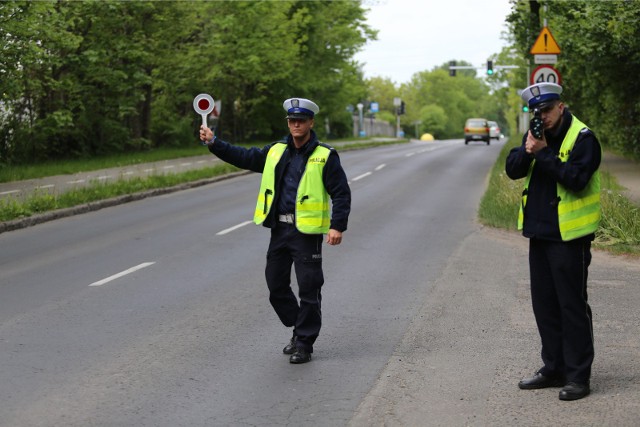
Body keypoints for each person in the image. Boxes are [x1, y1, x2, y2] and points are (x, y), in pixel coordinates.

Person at [199, 98, 351, 364]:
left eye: (301, 121)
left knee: (309, 288)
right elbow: (244, 157)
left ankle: (304, 342)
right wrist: (214, 142)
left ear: (310, 123)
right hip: (279, 229)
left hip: (306, 232)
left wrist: (337, 225)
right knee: (276, 286)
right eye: (292, 121)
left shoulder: (325, 156)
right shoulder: (276, 151)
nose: (296, 125)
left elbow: (341, 193)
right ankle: (299, 326)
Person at [506, 82, 602, 401]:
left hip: (570, 237)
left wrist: (543, 153)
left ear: (561, 106)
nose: (542, 117)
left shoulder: (584, 138)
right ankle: (554, 367)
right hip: (540, 232)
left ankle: (578, 376)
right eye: (537, 112)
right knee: (545, 305)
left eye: (547, 110)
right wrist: (528, 148)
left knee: (571, 305)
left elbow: (575, 179)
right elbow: (513, 171)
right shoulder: (536, 135)